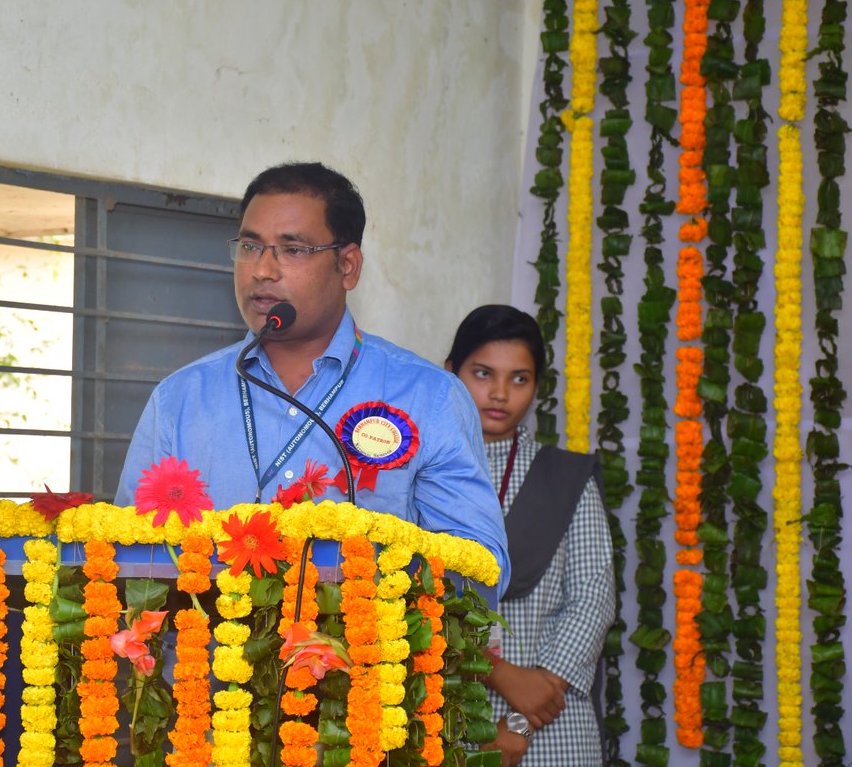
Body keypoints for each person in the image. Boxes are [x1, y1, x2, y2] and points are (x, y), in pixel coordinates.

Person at [115, 162, 510, 591]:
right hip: (207, 653)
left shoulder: (428, 397)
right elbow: (130, 559)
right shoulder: (180, 399)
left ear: (348, 266)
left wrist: (361, 583)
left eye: (293, 249)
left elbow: (480, 572)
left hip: (365, 651)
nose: (263, 270)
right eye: (250, 247)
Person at [446, 304, 615, 767]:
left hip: (550, 721)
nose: (500, 393)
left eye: (520, 379)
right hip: (441, 709)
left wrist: (520, 722)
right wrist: (499, 674)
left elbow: (592, 598)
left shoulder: (563, 478)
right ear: (450, 373)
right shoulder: (418, 471)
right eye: (483, 373)